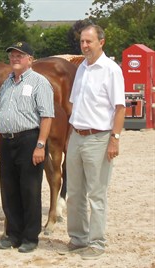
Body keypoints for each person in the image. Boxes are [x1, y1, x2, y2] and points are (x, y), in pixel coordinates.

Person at [0, 41, 54, 253]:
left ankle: (30, 237)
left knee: (30, 190)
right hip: (6, 140)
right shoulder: (6, 84)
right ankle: (13, 234)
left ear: (30, 60)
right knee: (9, 190)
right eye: (12, 55)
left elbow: (47, 116)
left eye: (20, 55)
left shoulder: (39, 83)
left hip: (29, 140)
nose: (15, 59)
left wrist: (40, 145)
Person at [59, 25, 125, 260]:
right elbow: (74, 105)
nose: (84, 45)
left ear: (101, 42)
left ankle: (97, 242)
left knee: (96, 193)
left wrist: (114, 139)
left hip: (100, 137)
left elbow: (120, 108)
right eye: (82, 42)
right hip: (77, 135)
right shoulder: (81, 69)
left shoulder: (111, 70)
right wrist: (70, 136)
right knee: (75, 192)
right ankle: (78, 238)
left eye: (89, 41)